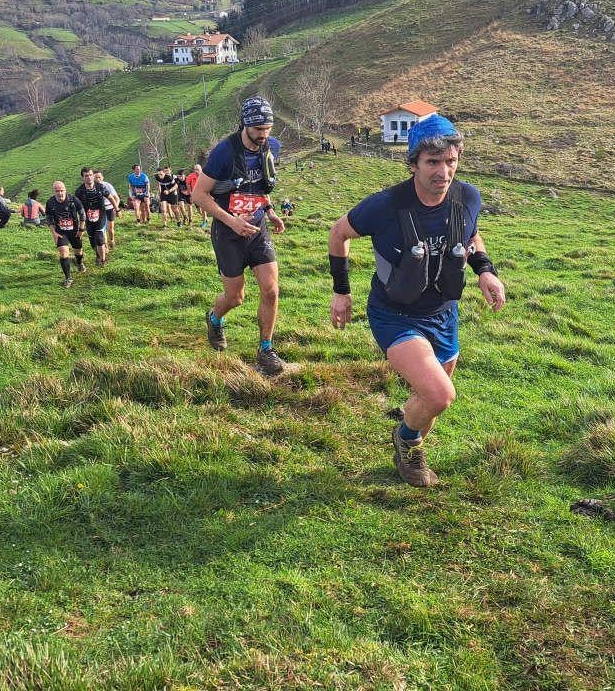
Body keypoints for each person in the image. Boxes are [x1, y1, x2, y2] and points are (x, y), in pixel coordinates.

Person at [327, 115, 505, 487]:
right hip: (394, 313)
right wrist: (342, 291)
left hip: (443, 312)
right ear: (413, 164)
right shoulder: (385, 206)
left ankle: (409, 440)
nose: (444, 172)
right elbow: (338, 233)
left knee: (430, 397)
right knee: (440, 394)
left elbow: (471, 235)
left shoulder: (468, 197)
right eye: (433, 162)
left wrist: (485, 271)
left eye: (451, 161)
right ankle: (407, 442)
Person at [192, 95, 287, 376]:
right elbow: (199, 195)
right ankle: (214, 318)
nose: (264, 135)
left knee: (271, 290)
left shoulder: (272, 147)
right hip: (227, 232)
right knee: (235, 298)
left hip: (257, 229)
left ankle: (266, 348)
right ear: (245, 125)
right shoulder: (224, 153)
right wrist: (232, 222)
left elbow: (257, 186)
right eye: (258, 130)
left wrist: (269, 210)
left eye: (268, 129)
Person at [45, 181, 86, 287]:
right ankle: (68, 278)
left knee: (78, 251)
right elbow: (48, 217)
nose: (60, 193)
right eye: (57, 191)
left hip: (75, 231)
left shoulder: (73, 200)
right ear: (53, 191)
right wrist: (53, 232)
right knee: (63, 253)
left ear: (65, 190)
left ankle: (79, 262)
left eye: (62, 190)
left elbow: (82, 214)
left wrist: (81, 229)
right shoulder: (50, 202)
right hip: (61, 232)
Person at [74, 167, 117, 266]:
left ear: (93, 176)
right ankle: (98, 255)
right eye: (86, 176)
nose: (89, 177)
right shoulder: (79, 191)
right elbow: (76, 207)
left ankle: (103, 261)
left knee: (99, 238)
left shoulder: (100, 187)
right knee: (93, 242)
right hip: (88, 219)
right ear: (82, 178)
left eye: (90, 175)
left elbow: (110, 197)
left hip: (101, 215)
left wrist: (117, 209)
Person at [94, 172, 120, 250]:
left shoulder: (107, 185)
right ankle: (105, 246)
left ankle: (111, 240)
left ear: (102, 177)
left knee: (110, 229)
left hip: (109, 208)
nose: (98, 179)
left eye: (99, 177)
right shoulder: (92, 187)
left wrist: (116, 208)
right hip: (100, 211)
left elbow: (116, 198)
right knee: (102, 230)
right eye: (96, 177)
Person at [186, 164, 207, 229]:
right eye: (195, 169)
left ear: (201, 169)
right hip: (194, 194)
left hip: (203, 193)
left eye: (197, 169)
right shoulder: (191, 176)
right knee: (198, 210)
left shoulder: (204, 175)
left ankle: (204, 221)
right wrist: (190, 193)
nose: (196, 171)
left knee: (203, 209)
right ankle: (205, 218)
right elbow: (188, 184)